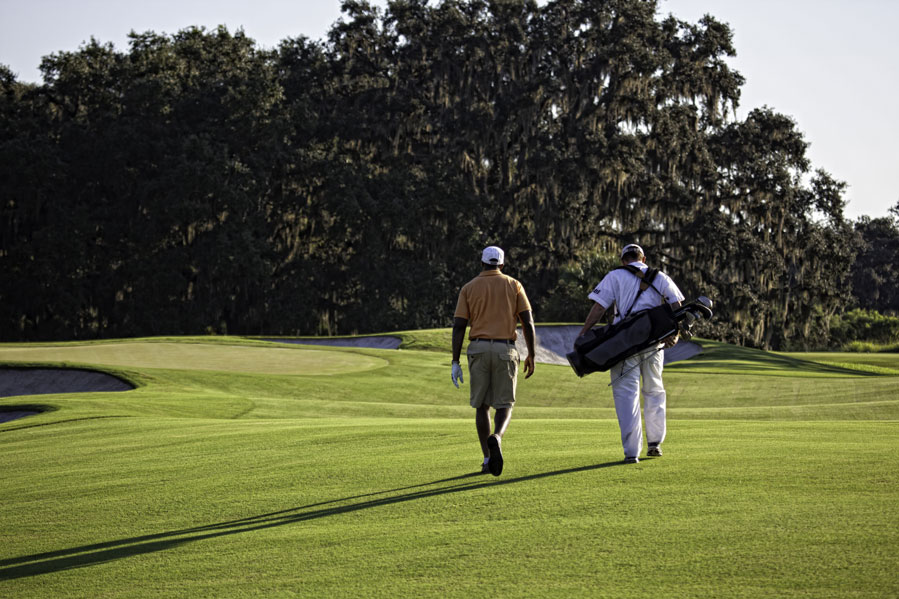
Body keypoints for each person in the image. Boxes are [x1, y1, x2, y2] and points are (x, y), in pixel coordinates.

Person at [576, 243, 684, 464]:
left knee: (627, 395)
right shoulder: (659, 275)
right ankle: (655, 443)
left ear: (623, 260)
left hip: (623, 344)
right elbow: (678, 305)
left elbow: (598, 308)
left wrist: (583, 334)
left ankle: (631, 452)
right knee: (654, 389)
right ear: (642, 259)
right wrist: (676, 333)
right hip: (654, 343)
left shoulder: (615, 275)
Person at [451, 245, 536, 476]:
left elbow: (459, 326)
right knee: (505, 404)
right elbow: (527, 322)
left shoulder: (468, 288)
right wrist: (532, 354)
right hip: (504, 348)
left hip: (478, 348)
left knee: (481, 406)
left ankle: (488, 460)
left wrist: (455, 361)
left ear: (481, 263)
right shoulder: (513, 285)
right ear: (501, 264)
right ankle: (497, 436)